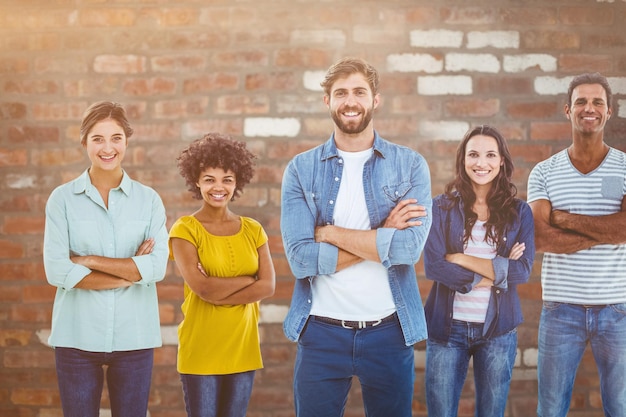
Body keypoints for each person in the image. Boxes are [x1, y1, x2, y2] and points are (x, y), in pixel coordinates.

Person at [280, 56, 432, 417]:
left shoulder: (410, 165)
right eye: (341, 93)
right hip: (320, 333)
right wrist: (382, 238)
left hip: (389, 332)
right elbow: (301, 260)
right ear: (327, 101)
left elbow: (408, 250)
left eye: (359, 92)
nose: (351, 101)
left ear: (375, 99)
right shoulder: (301, 170)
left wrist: (330, 234)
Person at [43, 101, 169, 417]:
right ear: (84, 142)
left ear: (126, 140)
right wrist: (131, 272)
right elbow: (57, 271)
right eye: (97, 138)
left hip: (134, 338)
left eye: (115, 138)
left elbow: (156, 267)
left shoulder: (148, 200)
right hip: (76, 338)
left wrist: (88, 260)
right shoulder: (62, 200)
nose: (107, 147)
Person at [528, 72, 626, 417]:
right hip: (560, 310)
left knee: (620, 407)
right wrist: (607, 229)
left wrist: (564, 218)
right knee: (551, 409)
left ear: (609, 112)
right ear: (567, 110)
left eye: (598, 101)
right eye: (581, 101)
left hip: (617, 309)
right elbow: (539, 237)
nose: (590, 108)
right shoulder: (544, 172)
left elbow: (625, 230)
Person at [423, 125, 535, 417]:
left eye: (489, 155)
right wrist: (498, 274)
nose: (480, 163)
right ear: (463, 160)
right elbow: (434, 266)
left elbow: (522, 271)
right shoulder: (441, 208)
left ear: (501, 161)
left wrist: (459, 257)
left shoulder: (519, 212)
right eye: (473, 154)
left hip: (498, 330)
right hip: (447, 329)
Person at [169, 133, 276, 417]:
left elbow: (268, 286)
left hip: (243, 349)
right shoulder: (185, 229)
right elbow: (203, 289)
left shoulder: (253, 229)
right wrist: (247, 281)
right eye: (209, 179)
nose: (219, 187)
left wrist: (220, 288)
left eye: (227, 179)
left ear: (237, 181)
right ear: (197, 181)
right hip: (201, 351)